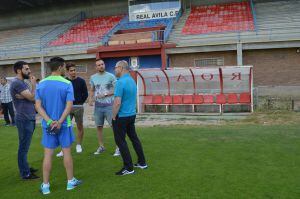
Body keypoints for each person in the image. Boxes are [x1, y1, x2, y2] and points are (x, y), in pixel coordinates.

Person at [35, 57, 82, 195]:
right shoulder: (67, 83)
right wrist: (60, 121)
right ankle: (70, 182)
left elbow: (38, 106)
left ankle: (45, 186)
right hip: (64, 125)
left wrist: (50, 121)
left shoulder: (41, 84)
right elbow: (69, 106)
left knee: (48, 155)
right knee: (66, 152)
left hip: (48, 125)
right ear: (61, 67)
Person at [112, 60, 147, 176]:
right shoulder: (132, 80)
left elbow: (117, 102)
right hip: (131, 115)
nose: (114, 69)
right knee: (134, 138)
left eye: (115, 67)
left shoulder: (120, 82)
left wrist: (113, 116)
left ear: (121, 68)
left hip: (121, 116)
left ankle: (128, 167)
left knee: (120, 141)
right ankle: (142, 162)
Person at [10, 61, 39, 180]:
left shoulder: (22, 83)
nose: (29, 71)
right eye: (26, 69)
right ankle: (25, 173)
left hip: (29, 117)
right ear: (19, 70)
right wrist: (34, 85)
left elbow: (32, 99)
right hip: (24, 119)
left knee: (25, 146)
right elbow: (33, 97)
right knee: (23, 147)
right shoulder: (17, 83)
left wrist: (27, 96)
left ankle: (25, 167)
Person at [56, 62, 88, 157]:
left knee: (79, 126)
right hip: (67, 108)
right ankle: (63, 149)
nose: (73, 72)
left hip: (78, 107)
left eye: (74, 70)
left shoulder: (81, 81)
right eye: (71, 70)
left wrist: (80, 102)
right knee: (65, 127)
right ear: (67, 71)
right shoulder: (65, 81)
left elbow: (85, 94)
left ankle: (78, 145)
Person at [88, 59, 120, 156]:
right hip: (98, 107)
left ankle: (118, 148)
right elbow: (92, 90)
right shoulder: (93, 77)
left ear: (104, 65)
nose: (101, 66)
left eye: (102, 64)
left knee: (114, 127)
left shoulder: (111, 76)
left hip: (110, 106)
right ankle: (101, 147)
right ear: (96, 67)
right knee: (99, 127)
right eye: (98, 65)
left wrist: (105, 94)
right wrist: (90, 98)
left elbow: (116, 89)